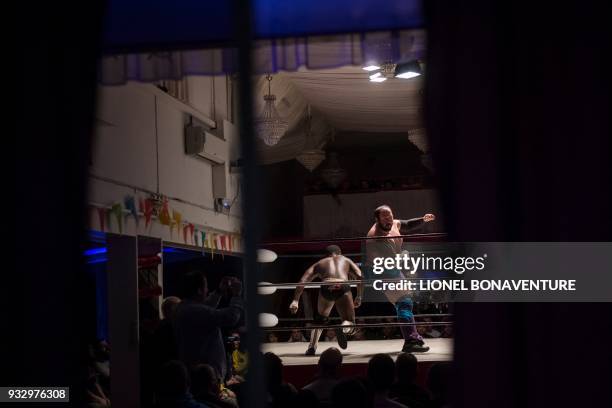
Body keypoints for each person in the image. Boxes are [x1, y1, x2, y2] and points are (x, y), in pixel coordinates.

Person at [365, 205, 435, 353]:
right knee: (404, 302)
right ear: (376, 219)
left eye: (389, 215)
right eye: (384, 217)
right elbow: (390, 262)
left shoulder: (393, 223)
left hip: (391, 267)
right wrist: (403, 255)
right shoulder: (377, 237)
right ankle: (410, 341)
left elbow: (407, 224)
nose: (389, 219)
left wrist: (423, 219)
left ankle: (413, 338)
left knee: (405, 302)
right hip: (381, 271)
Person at [289, 245, 364, 355]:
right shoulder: (345, 260)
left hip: (326, 286)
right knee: (350, 322)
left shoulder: (320, 263)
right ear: (340, 253)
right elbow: (360, 276)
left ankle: (312, 348)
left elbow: (302, 280)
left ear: (326, 255)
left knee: (320, 319)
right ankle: (343, 328)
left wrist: (295, 300)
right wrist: (359, 296)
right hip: (342, 285)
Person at [174, 271, 243, 380]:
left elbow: (206, 308)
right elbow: (231, 317)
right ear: (199, 290)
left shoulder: (183, 308)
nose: (207, 291)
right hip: (206, 376)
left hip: (198, 373)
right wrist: (237, 295)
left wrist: (219, 291)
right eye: (206, 287)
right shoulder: (194, 311)